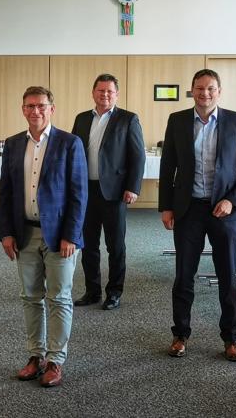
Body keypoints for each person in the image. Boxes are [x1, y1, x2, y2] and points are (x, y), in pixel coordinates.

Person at [158, 69, 236, 361]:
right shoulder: (177, 120)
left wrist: (232, 200)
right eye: (200, 88)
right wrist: (166, 206)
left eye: (211, 88)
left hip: (223, 211)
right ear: (192, 90)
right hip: (188, 208)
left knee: (228, 276)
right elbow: (168, 166)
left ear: (219, 91)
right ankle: (180, 335)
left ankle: (232, 339)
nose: (205, 93)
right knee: (183, 276)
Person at [0, 86, 87, 388]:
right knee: (30, 297)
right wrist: (6, 232)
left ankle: (55, 360)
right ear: (23, 109)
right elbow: (5, 193)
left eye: (41, 106)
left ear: (52, 109)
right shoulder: (13, 144)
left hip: (61, 237)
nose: (35, 111)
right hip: (24, 233)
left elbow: (79, 194)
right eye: (29, 106)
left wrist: (71, 235)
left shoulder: (70, 143)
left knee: (59, 298)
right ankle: (35, 356)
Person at [70, 73, 145, 310]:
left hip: (115, 192)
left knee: (116, 246)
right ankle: (92, 291)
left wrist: (133, 187)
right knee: (88, 245)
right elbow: (73, 152)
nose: (105, 95)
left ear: (116, 95)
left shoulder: (128, 119)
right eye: (100, 90)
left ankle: (114, 292)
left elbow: (138, 156)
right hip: (86, 191)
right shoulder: (82, 118)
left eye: (109, 91)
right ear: (93, 93)